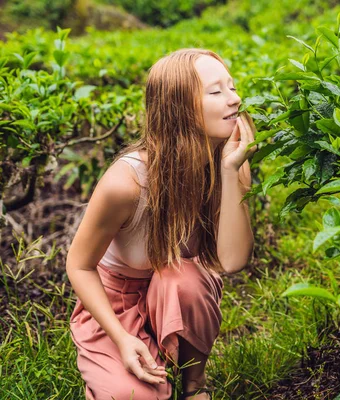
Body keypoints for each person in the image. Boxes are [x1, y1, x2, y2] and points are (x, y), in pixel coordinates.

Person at [66, 48, 257, 400]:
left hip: (172, 288)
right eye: (217, 92)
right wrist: (122, 340)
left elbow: (232, 261)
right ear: (179, 108)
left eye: (232, 87)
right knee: (132, 395)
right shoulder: (127, 182)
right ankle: (124, 353)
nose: (236, 100)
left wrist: (231, 172)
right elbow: (79, 265)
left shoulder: (229, 160)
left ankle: (194, 386)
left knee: (184, 278)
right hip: (116, 301)